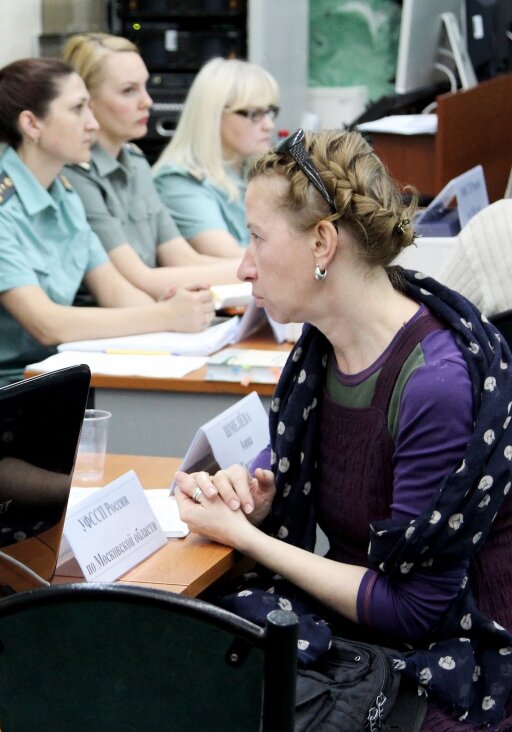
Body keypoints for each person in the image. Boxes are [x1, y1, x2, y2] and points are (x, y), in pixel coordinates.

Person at [173, 129, 512, 729]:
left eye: (256, 238)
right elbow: (295, 473)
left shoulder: (432, 383)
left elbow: (413, 610)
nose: (243, 266)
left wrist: (248, 539)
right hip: (375, 632)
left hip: (457, 660)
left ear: (323, 242)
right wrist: (254, 498)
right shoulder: (323, 350)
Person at [0, 58, 216, 393]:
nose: (92, 124)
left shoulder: (62, 192)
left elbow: (112, 289)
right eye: (78, 109)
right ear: (32, 125)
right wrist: (165, 317)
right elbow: (46, 324)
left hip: (51, 377)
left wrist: (175, 310)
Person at [61, 33, 241, 299]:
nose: (147, 101)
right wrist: (260, 270)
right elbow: (137, 278)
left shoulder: (135, 161)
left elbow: (181, 256)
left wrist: (261, 268)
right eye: (128, 91)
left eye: (144, 87)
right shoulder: (75, 173)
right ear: (87, 101)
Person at [152, 57, 279, 257]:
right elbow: (230, 256)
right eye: (256, 113)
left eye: (270, 112)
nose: (269, 125)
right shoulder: (178, 182)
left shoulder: (249, 172)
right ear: (215, 114)